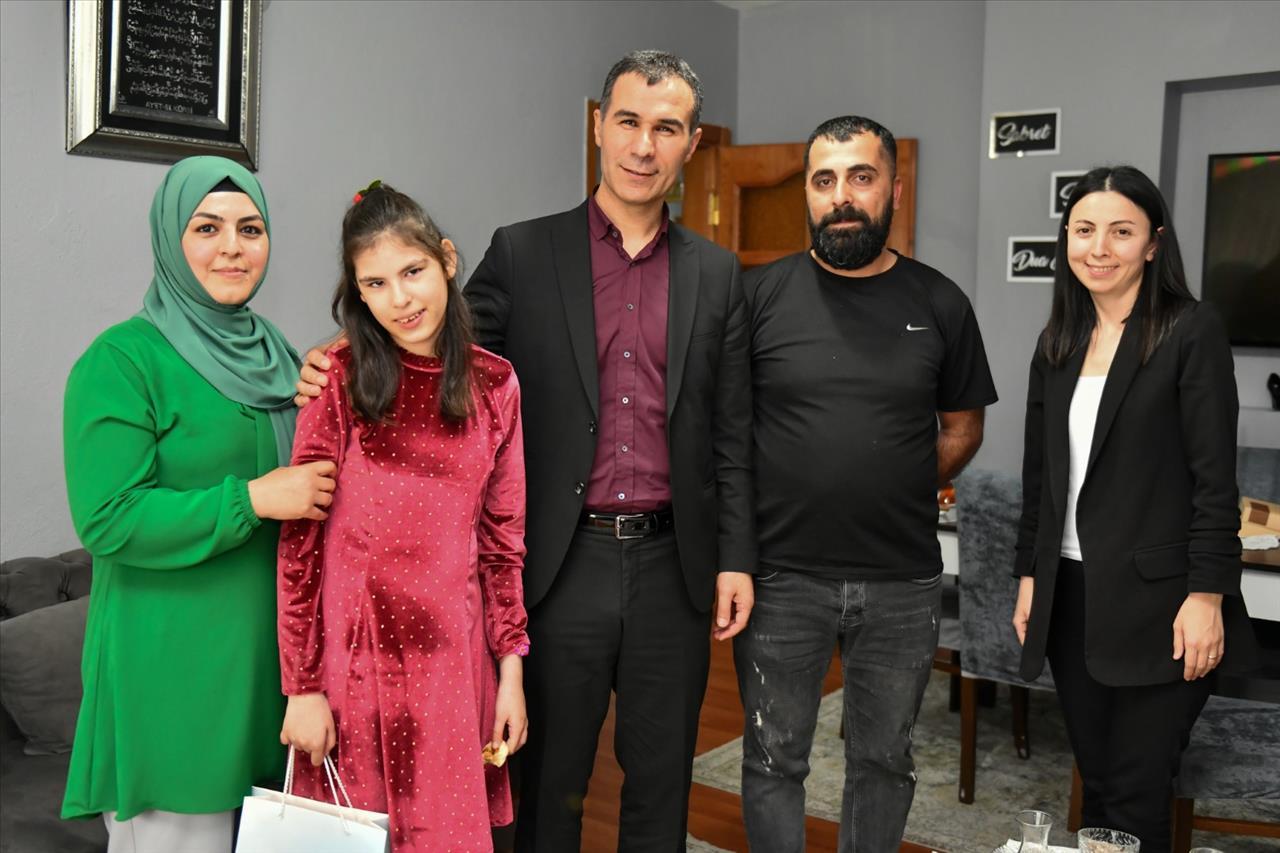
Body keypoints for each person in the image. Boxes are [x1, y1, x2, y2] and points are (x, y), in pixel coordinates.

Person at [296, 50, 755, 851]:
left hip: (672, 566)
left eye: (667, 128)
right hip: (558, 561)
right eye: (628, 122)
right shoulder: (524, 251)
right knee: (550, 786)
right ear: (599, 126)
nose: (644, 145)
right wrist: (338, 354)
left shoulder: (718, 275)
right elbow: (432, 341)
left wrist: (736, 557)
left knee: (661, 785)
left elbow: (732, 428)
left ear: (691, 143)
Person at [735, 115, 997, 853]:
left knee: (883, 762)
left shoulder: (941, 302)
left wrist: (897, 482)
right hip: (780, 577)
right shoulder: (758, 298)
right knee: (772, 758)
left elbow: (963, 428)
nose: (841, 196)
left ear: (894, 191)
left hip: (901, 582)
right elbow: (727, 434)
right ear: (807, 194)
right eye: (824, 180)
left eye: (861, 176)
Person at [61, 156, 334, 853]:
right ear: (169, 237)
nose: (232, 248)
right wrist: (252, 499)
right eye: (207, 228)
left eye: (250, 229)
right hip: (173, 674)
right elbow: (109, 518)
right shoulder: (123, 360)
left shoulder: (277, 356)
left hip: (271, 671)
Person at [277, 183, 529, 853]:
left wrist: (510, 673)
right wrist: (302, 687)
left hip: (455, 670)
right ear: (358, 294)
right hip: (355, 675)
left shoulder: (495, 385)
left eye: (413, 271)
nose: (400, 298)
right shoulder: (337, 377)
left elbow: (502, 543)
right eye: (376, 283)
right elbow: (300, 548)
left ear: (446, 259)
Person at [1011, 165, 1256, 853]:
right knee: (1099, 783)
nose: (1099, 247)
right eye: (1084, 230)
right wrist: (1030, 576)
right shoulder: (1057, 342)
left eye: (1121, 231)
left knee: (1136, 790)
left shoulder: (1189, 330)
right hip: (1071, 596)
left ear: (1153, 243)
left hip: (1165, 606)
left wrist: (1206, 595)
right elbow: (1041, 480)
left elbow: (1215, 481)